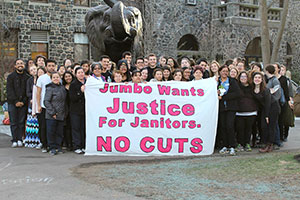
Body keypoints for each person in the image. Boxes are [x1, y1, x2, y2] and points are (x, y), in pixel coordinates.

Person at [7, 59, 30, 147]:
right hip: (12, 103)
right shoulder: (10, 77)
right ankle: (14, 139)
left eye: (21, 63)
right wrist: (16, 101)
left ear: (24, 65)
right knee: (13, 122)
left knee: (21, 122)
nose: (20, 65)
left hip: (23, 103)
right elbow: (9, 90)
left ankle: (20, 139)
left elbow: (26, 91)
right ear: (15, 66)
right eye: (18, 64)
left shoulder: (27, 77)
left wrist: (23, 101)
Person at [218, 65, 240, 155]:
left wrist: (223, 97)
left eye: (227, 71)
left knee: (230, 125)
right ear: (220, 72)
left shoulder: (232, 81)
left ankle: (232, 146)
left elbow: (237, 93)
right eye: (223, 71)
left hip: (231, 107)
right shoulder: (216, 82)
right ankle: (225, 145)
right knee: (223, 126)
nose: (225, 73)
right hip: (221, 108)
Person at [259, 65, 281, 152]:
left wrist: (271, 97)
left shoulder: (274, 80)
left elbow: (277, 90)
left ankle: (273, 143)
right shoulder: (270, 80)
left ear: (267, 71)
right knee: (269, 126)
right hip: (269, 104)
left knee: (273, 126)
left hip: (273, 105)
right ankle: (269, 143)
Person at [36, 59, 57, 152]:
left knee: (52, 127)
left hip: (55, 106)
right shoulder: (42, 78)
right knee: (43, 126)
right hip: (44, 106)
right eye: (49, 66)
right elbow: (38, 92)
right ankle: (44, 144)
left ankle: (52, 144)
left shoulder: (57, 77)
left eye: (53, 66)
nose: (51, 67)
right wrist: (38, 105)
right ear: (46, 67)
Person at [44, 72, 67, 155]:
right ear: (51, 79)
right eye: (54, 77)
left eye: (57, 77)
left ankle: (58, 146)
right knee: (51, 132)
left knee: (59, 132)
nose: (56, 78)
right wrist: (52, 112)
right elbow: (46, 101)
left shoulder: (62, 87)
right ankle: (52, 147)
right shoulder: (49, 88)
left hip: (61, 114)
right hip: (51, 115)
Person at [235, 71, 257, 152]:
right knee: (240, 129)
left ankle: (247, 143)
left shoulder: (252, 87)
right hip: (239, 112)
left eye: (245, 76)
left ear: (248, 78)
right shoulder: (236, 86)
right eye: (241, 77)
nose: (243, 78)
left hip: (251, 112)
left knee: (248, 129)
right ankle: (240, 144)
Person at [24, 64, 42, 148]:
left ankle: (39, 140)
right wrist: (32, 98)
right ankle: (31, 140)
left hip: (39, 103)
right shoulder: (29, 81)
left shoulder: (40, 80)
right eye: (32, 70)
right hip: (31, 104)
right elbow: (28, 92)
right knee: (32, 124)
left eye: (35, 69)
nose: (34, 71)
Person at [69, 67, 86, 154]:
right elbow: (72, 98)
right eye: (79, 73)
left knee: (83, 128)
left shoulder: (88, 82)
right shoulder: (73, 84)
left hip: (85, 110)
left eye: (82, 72)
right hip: (75, 110)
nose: (81, 74)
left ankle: (83, 145)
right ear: (76, 74)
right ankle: (77, 146)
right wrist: (80, 91)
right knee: (76, 128)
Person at [62, 71, 74, 151]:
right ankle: (67, 143)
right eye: (66, 77)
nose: (68, 78)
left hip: (73, 109)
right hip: (65, 109)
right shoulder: (62, 87)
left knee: (74, 127)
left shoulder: (74, 86)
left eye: (69, 76)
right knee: (66, 127)